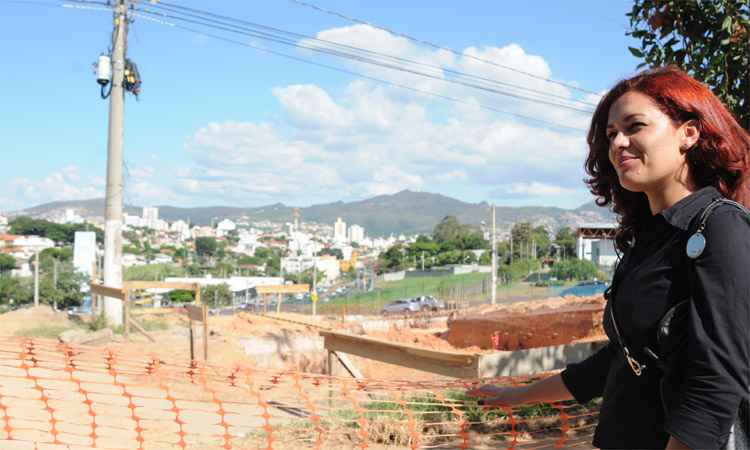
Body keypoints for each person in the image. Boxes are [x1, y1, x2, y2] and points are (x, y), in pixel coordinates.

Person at [467, 67, 750, 450]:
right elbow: (622, 360)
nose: (618, 143)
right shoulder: (648, 240)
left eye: (634, 126)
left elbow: (717, 380)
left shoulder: (720, 228)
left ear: (689, 133)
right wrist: (515, 396)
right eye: (611, 134)